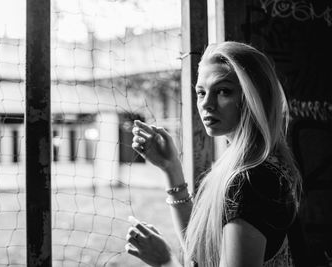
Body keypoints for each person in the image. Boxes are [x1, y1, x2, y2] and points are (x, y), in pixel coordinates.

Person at [125, 41, 301, 267]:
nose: (206, 104)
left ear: (253, 97)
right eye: (201, 92)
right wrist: (171, 168)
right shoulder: (253, 165)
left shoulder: (252, 181)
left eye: (223, 91)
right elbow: (206, 250)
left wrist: (165, 262)